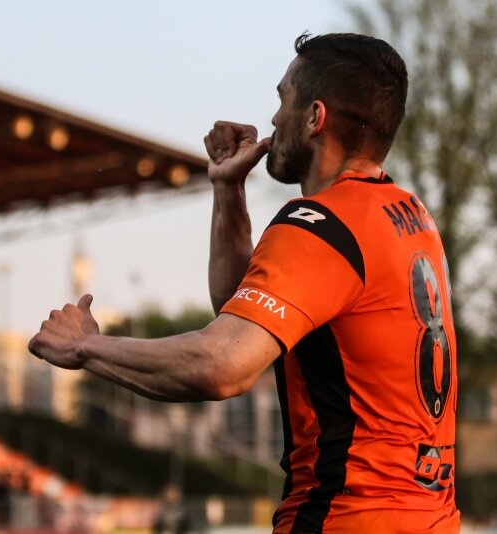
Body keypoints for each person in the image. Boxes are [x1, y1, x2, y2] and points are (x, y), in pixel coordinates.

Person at [29, 32, 459, 533]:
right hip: (430, 519)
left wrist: (85, 347)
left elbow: (222, 364)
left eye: (283, 99)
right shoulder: (409, 216)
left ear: (315, 117)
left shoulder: (321, 224)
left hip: (346, 517)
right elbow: (244, 311)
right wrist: (228, 190)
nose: (274, 119)